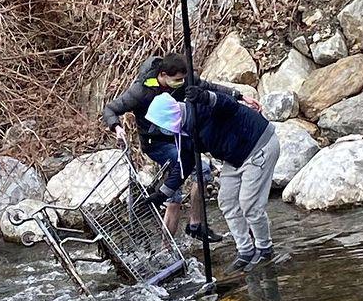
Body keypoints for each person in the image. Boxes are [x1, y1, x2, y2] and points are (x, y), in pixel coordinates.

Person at [102, 53, 261, 241]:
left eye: (183, 79)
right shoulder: (141, 90)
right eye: (177, 80)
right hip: (157, 144)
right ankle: (167, 248)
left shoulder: (182, 81)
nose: (182, 82)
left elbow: (209, 87)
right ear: (162, 75)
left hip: (179, 137)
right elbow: (110, 109)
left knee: (199, 175)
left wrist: (241, 96)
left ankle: (195, 225)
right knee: (182, 187)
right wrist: (117, 127)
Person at [144, 86, 280, 270]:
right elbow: (185, 163)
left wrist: (207, 96)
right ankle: (246, 250)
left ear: (169, 118)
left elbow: (229, 105)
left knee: (249, 204)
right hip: (235, 156)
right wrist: (162, 194)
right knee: (227, 201)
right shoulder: (183, 132)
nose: (161, 131)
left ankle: (265, 249)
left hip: (258, 146)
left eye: (161, 126)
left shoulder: (201, 107)